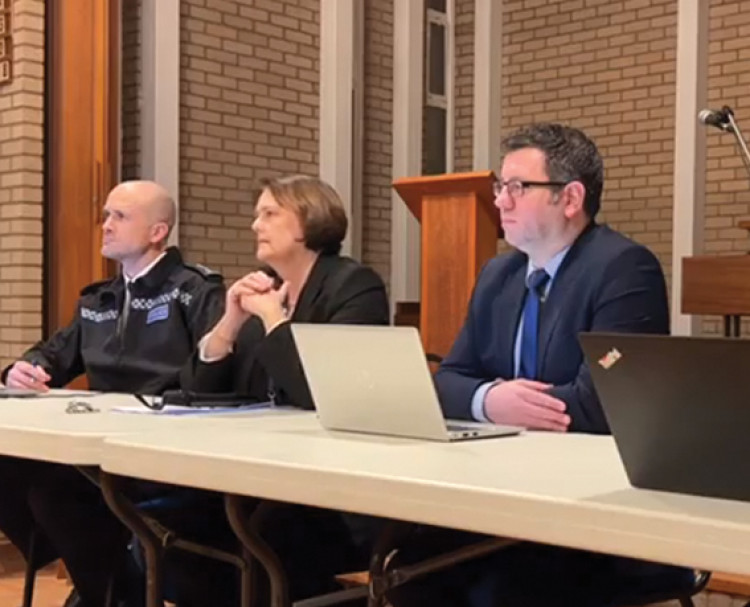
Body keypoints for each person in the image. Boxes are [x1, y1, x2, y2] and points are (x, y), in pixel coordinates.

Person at [387, 123, 696, 606]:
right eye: (499, 188)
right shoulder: (498, 274)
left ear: (569, 198)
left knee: (498, 589)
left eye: (517, 187)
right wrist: (490, 400)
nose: (501, 201)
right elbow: (448, 380)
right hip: (502, 491)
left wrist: (504, 402)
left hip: (592, 507)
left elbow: (605, 401)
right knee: (409, 568)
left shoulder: (623, 267)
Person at [145, 174, 389, 606]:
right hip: (259, 474)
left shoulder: (354, 286)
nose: (256, 225)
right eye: (257, 215)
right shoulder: (263, 286)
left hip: (328, 492)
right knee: (163, 522)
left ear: (310, 221)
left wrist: (275, 322)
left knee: (252, 532)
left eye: (270, 214)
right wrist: (230, 324)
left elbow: (322, 392)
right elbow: (198, 388)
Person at [0, 180, 225, 607]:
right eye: (105, 215)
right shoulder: (97, 300)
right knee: (12, 466)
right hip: (101, 446)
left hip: (167, 448)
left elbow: (213, 372)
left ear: (158, 232)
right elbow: (53, 355)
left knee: (56, 493)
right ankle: (108, 584)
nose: (105, 225)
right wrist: (21, 371)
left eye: (119, 216)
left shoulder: (194, 290)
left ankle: (107, 591)